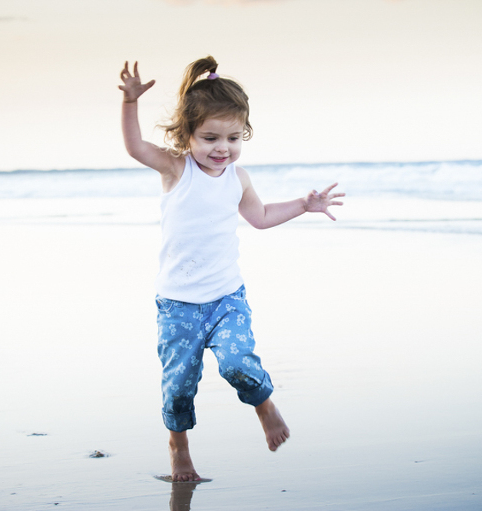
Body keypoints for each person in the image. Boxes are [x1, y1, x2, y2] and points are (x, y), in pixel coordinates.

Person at [119, 56, 344, 482]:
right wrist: (130, 102)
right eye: (210, 138)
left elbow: (259, 217)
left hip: (226, 299)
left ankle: (265, 405)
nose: (222, 148)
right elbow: (135, 147)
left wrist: (304, 204)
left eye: (233, 138)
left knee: (237, 362)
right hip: (178, 305)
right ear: (186, 135)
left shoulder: (236, 177)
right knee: (179, 385)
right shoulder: (176, 168)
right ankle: (179, 447)